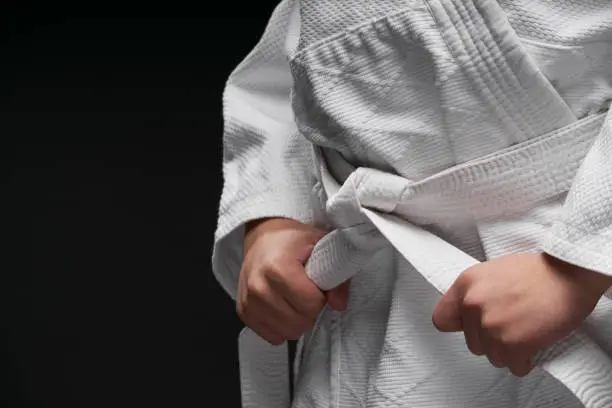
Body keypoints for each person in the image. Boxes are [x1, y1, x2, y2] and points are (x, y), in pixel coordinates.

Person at [213, 1, 612, 407]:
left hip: (570, 282)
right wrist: (277, 219)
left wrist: (577, 265)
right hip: (371, 298)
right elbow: (291, 79)